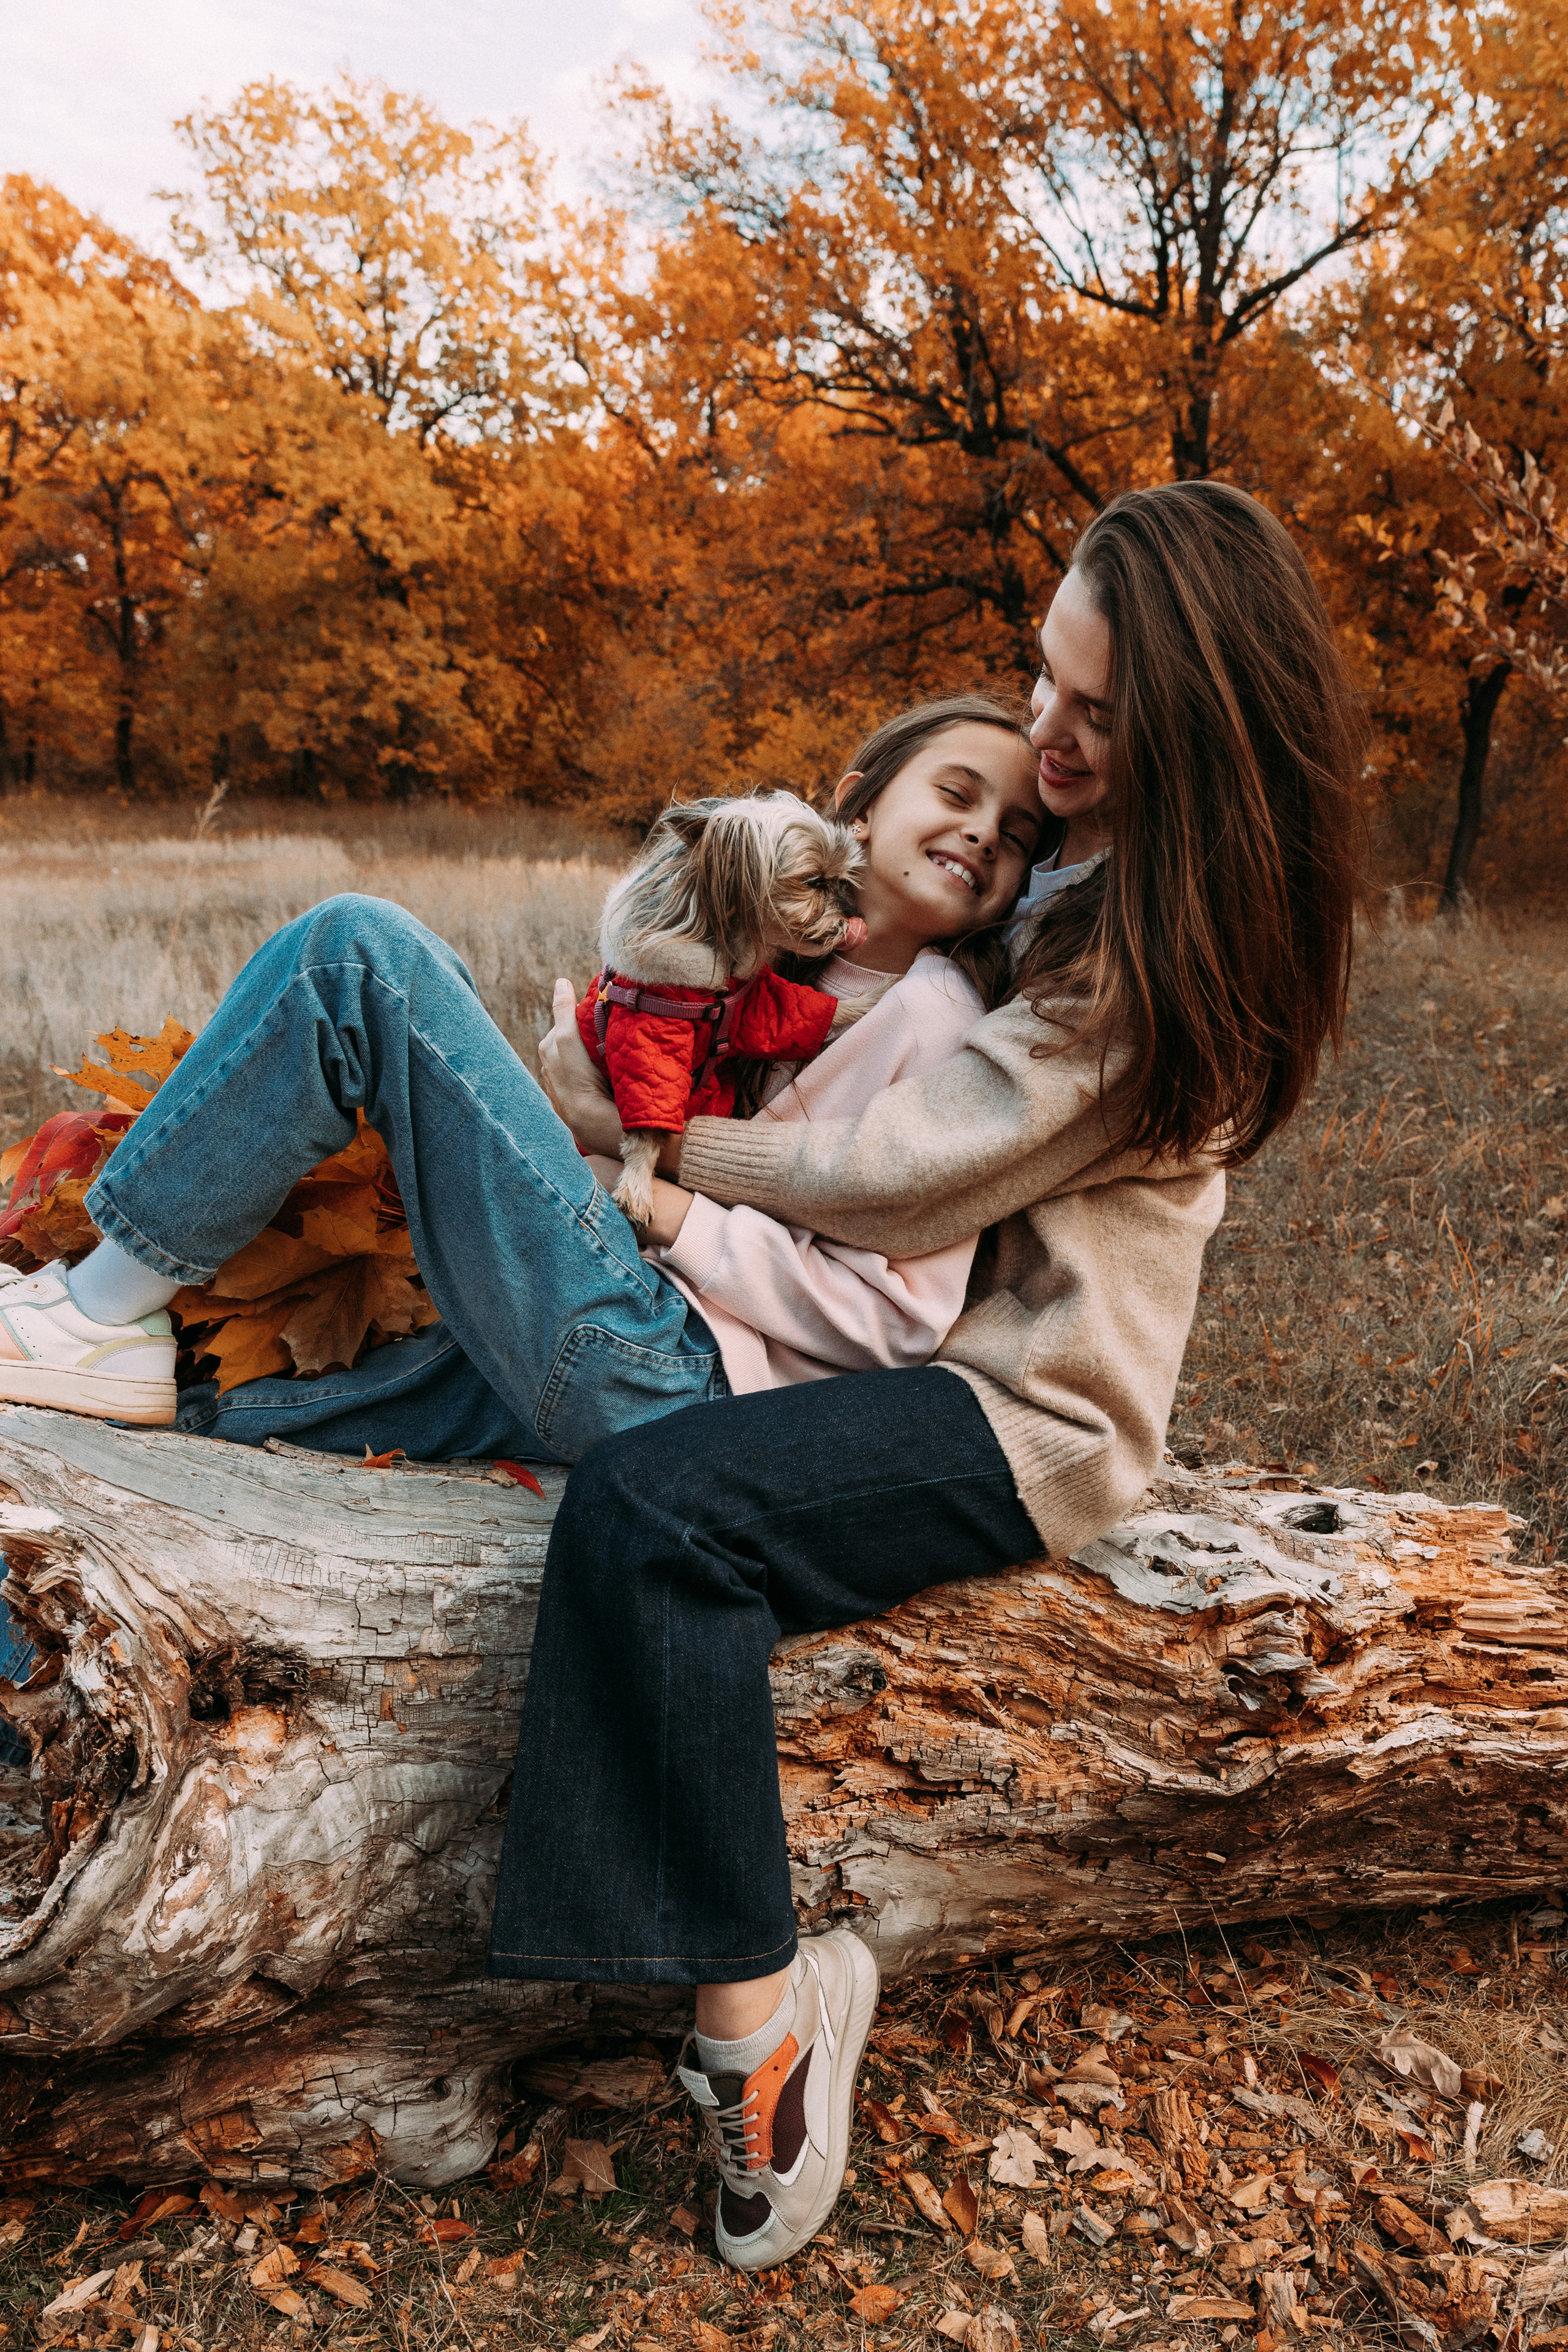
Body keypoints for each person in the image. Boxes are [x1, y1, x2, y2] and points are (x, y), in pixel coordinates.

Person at [496, 481, 1362, 2271]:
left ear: (1195, 736)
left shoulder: (1159, 961)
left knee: (664, 1512)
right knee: (640, 1489)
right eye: (1048, 675)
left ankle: (765, 2030)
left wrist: (659, 1164)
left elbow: (902, 1180)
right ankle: (632, 1984)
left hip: (1025, 1413)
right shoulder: (1078, 869)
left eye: (1099, 713)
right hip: (908, 1341)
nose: (1049, 730)